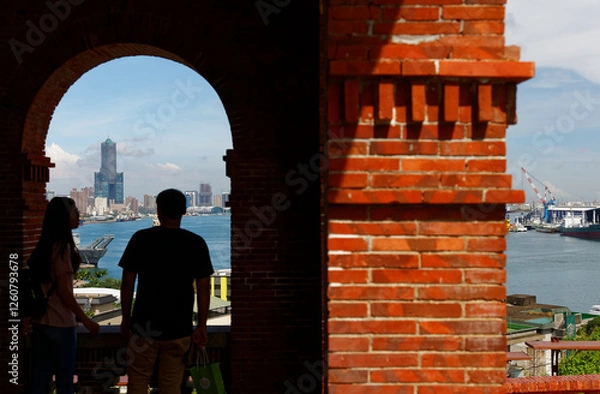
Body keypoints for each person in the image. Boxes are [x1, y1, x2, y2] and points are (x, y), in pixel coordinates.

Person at [119, 189, 214, 394]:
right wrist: (202, 325)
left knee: (137, 382)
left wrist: (126, 318)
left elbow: (127, 283)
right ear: (184, 211)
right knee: (171, 386)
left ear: (158, 211)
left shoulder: (141, 239)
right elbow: (204, 287)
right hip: (178, 328)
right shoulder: (196, 243)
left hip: (143, 327)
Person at [27, 197, 100, 394]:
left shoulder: (43, 246)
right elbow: (64, 291)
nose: (79, 216)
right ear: (64, 218)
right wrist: (86, 320)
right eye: (75, 212)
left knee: (40, 379)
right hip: (61, 323)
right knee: (65, 382)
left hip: (41, 321)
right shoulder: (62, 248)